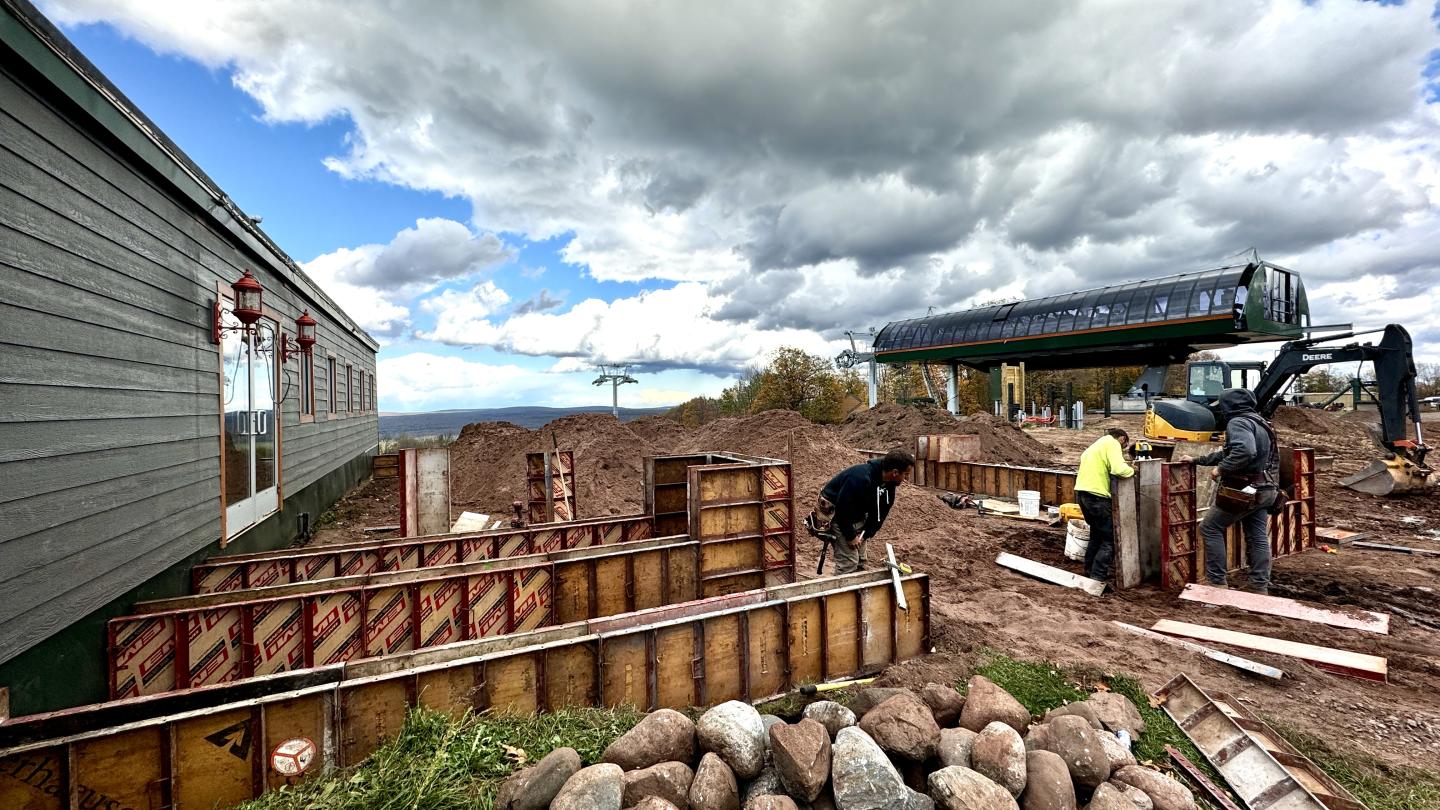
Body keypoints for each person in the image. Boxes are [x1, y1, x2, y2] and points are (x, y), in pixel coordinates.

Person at [1188, 388, 1280, 594]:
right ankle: (1259, 587)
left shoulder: (1237, 422)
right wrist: (1198, 460)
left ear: (1229, 406)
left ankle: (1217, 583)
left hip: (1244, 491)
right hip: (1265, 489)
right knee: (1257, 536)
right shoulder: (1261, 423)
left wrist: (1221, 469)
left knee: (1210, 528)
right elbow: (1231, 451)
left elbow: (1244, 451)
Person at [813, 449, 915, 574]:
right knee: (848, 564)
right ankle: (841, 592)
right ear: (895, 472)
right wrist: (850, 536)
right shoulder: (859, 478)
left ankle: (858, 591)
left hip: (857, 514)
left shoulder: (889, 484)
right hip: (836, 516)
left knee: (860, 561)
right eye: (906, 474)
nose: (907, 478)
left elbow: (882, 511)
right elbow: (843, 509)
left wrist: (866, 533)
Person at [1075, 428, 1135, 585]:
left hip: (1082, 494)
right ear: (1122, 439)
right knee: (1110, 539)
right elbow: (1118, 468)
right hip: (1097, 498)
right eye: (1124, 447)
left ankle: (1088, 570)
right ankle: (1098, 576)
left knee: (1096, 534)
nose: (1122, 450)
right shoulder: (1113, 443)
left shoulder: (1096, 445)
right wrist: (1132, 470)